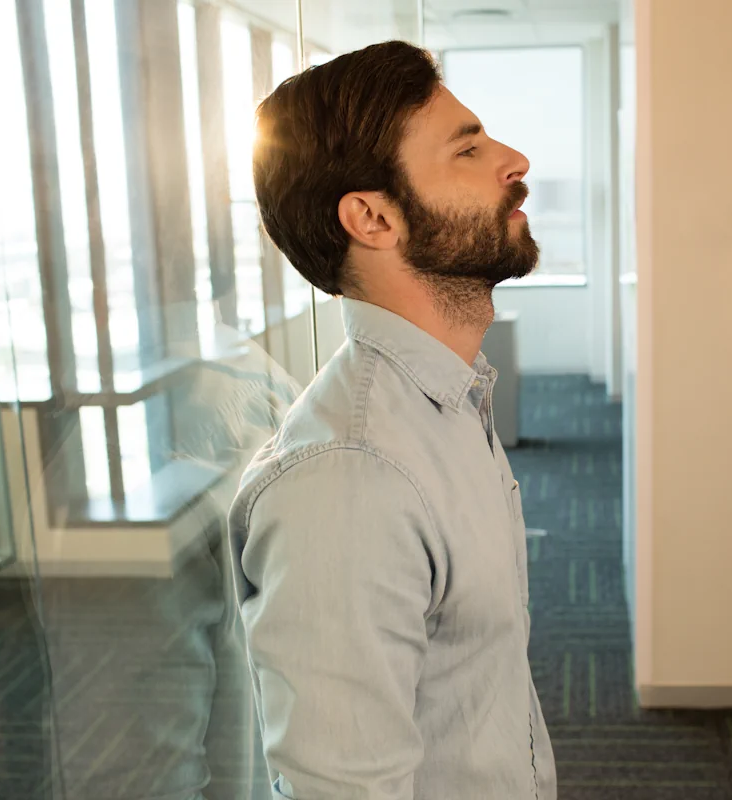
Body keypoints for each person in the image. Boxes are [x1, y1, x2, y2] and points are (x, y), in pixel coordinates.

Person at [228, 40, 557, 799]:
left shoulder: (448, 403)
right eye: (468, 150)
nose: (516, 160)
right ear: (373, 217)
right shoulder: (351, 479)